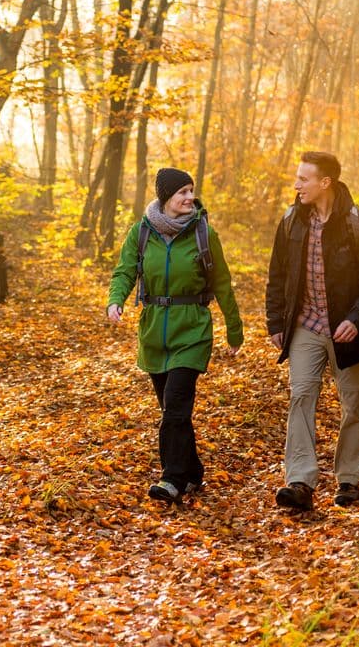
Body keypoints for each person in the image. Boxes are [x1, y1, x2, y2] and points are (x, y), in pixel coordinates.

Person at [107, 167, 244, 504]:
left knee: (176, 409)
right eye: (182, 192)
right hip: (154, 332)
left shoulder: (203, 233)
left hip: (192, 331)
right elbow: (125, 270)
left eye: (191, 191)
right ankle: (193, 471)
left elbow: (222, 283)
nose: (189, 198)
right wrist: (115, 300)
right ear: (165, 197)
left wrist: (234, 330)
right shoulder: (140, 232)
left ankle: (171, 479)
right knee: (172, 410)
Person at [265, 151, 359, 511]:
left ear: (325, 183)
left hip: (345, 329)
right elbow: (277, 276)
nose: (296, 184)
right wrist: (276, 322)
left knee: (352, 403)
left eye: (304, 179)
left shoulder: (358, 224)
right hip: (305, 324)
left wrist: (357, 318)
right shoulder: (291, 222)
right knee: (301, 396)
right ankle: (300, 480)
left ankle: (348, 479)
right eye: (297, 178)